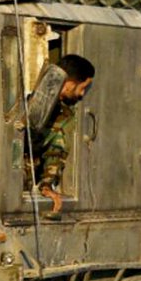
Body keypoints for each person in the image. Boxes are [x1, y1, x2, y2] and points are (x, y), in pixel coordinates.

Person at [26, 54, 94, 218]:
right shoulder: (31, 103)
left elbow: (55, 152)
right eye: (82, 87)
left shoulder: (64, 113)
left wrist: (46, 186)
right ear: (69, 85)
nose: (82, 94)